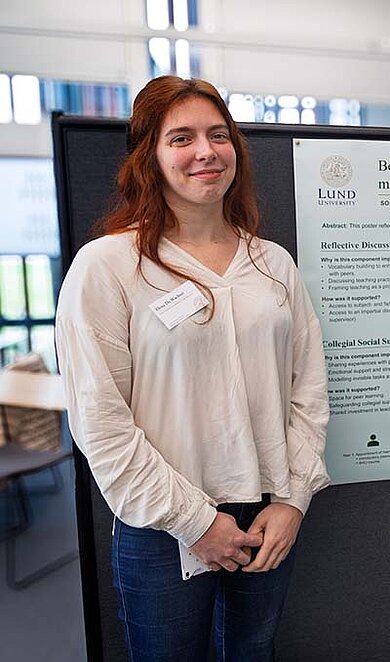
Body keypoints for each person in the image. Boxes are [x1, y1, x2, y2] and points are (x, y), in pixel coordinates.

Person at [55, 76, 330, 661]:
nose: (206, 151)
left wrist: (294, 499)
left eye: (218, 135)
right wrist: (195, 521)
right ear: (149, 159)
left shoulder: (272, 264)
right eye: (180, 137)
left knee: (253, 653)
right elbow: (100, 422)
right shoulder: (109, 267)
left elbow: (308, 390)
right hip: (161, 525)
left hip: (269, 514)